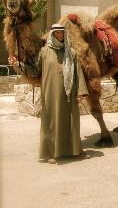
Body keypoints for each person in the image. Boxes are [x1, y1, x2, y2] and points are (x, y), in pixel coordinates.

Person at [10, 24, 88, 164]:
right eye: (57, 34)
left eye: (61, 34)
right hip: (51, 95)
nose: (60, 36)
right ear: (52, 35)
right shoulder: (44, 52)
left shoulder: (72, 53)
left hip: (69, 94)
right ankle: (52, 153)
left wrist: (81, 92)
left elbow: (78, 74)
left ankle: (75, 151)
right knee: (51, 122)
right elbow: (34, 71)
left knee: (71, 122)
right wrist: (18, 64)